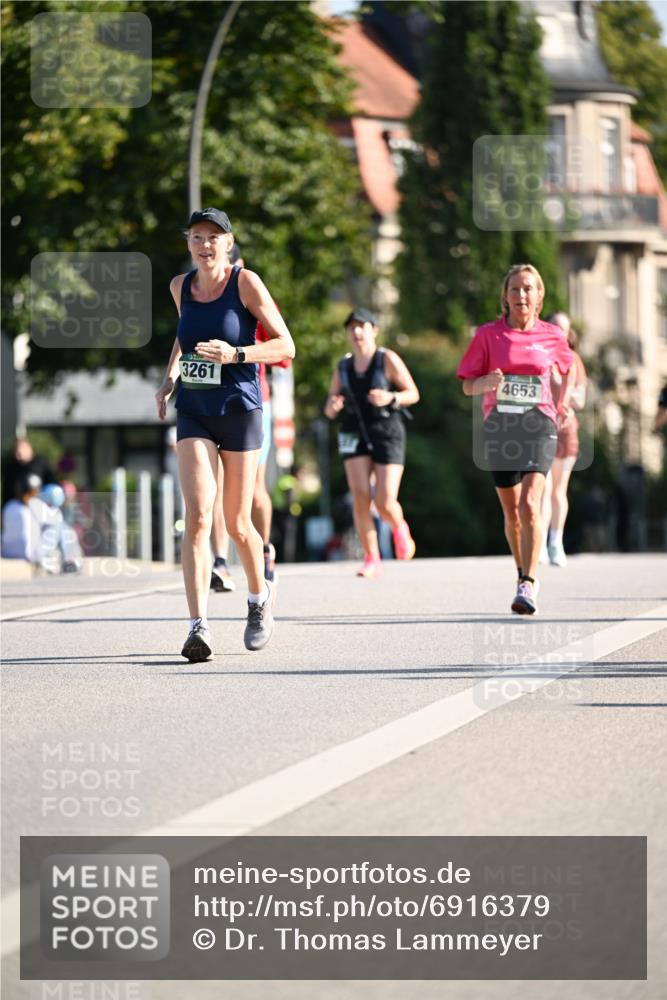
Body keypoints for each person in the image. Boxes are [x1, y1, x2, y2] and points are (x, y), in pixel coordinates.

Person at [155, 207, 295, 662]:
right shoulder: (181, 287)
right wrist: (170, 377)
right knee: (198, 516)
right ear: (189, 243)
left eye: (214, 236)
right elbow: (184, 336)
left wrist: (236, 353)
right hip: (194, 409)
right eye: (196, 236)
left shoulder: (245, 283)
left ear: (228, 243)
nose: (205, 244)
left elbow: (284, 345)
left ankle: (258, 599)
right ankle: (199, 626)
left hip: (239, 408)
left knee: (237, 523)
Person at [457, 264, 575, 615]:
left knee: (531, 504)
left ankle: (530, 583)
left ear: (539, 296)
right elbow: (467, 384)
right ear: (505, 297)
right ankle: (521, 571)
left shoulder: (553, 335)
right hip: (501, 429)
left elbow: (568, 367)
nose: (521, 295)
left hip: (539, 426)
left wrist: (563, 401)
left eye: (528, 289)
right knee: (512, 512)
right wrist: (484, 384)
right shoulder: (488, 335)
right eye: (514, 290)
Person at [209, 246, 293, 593]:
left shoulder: (251, 296)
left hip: (251, 401)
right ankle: (218, 561)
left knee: (253, 491)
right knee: (211, 491)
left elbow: (284, 354)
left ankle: (266, 549)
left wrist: (240, 352)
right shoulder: (201, 296)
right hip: (208, 401)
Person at [324, 308, 419, 578]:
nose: (355, 332)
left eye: (361, 326)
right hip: (353, 431)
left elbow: (413, 393)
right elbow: (329, 409)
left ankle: (399, 527)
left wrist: (390, 398)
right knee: (360, 496)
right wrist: (333, 405)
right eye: (351, 328)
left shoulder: (386, 359)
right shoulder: (343, 366)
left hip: (387, 430)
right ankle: (371, 558)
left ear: (374, 330)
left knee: (385, 499)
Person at [540, 313, 587, 567]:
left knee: (558, 490)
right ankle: (539, 546)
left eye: (565, 330)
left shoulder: (574, 360)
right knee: (543, 489)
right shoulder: (537, 353)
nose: (561, 333)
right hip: (540, 429)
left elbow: (581, 399)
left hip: (566, 430)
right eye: (556, 327)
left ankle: (556, 542)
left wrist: (562, 388)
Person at [1, 473, 43, 563]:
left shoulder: (9, 506)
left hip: (6, 552)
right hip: (26, 555)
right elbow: (28, 535)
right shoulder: (28, 510)